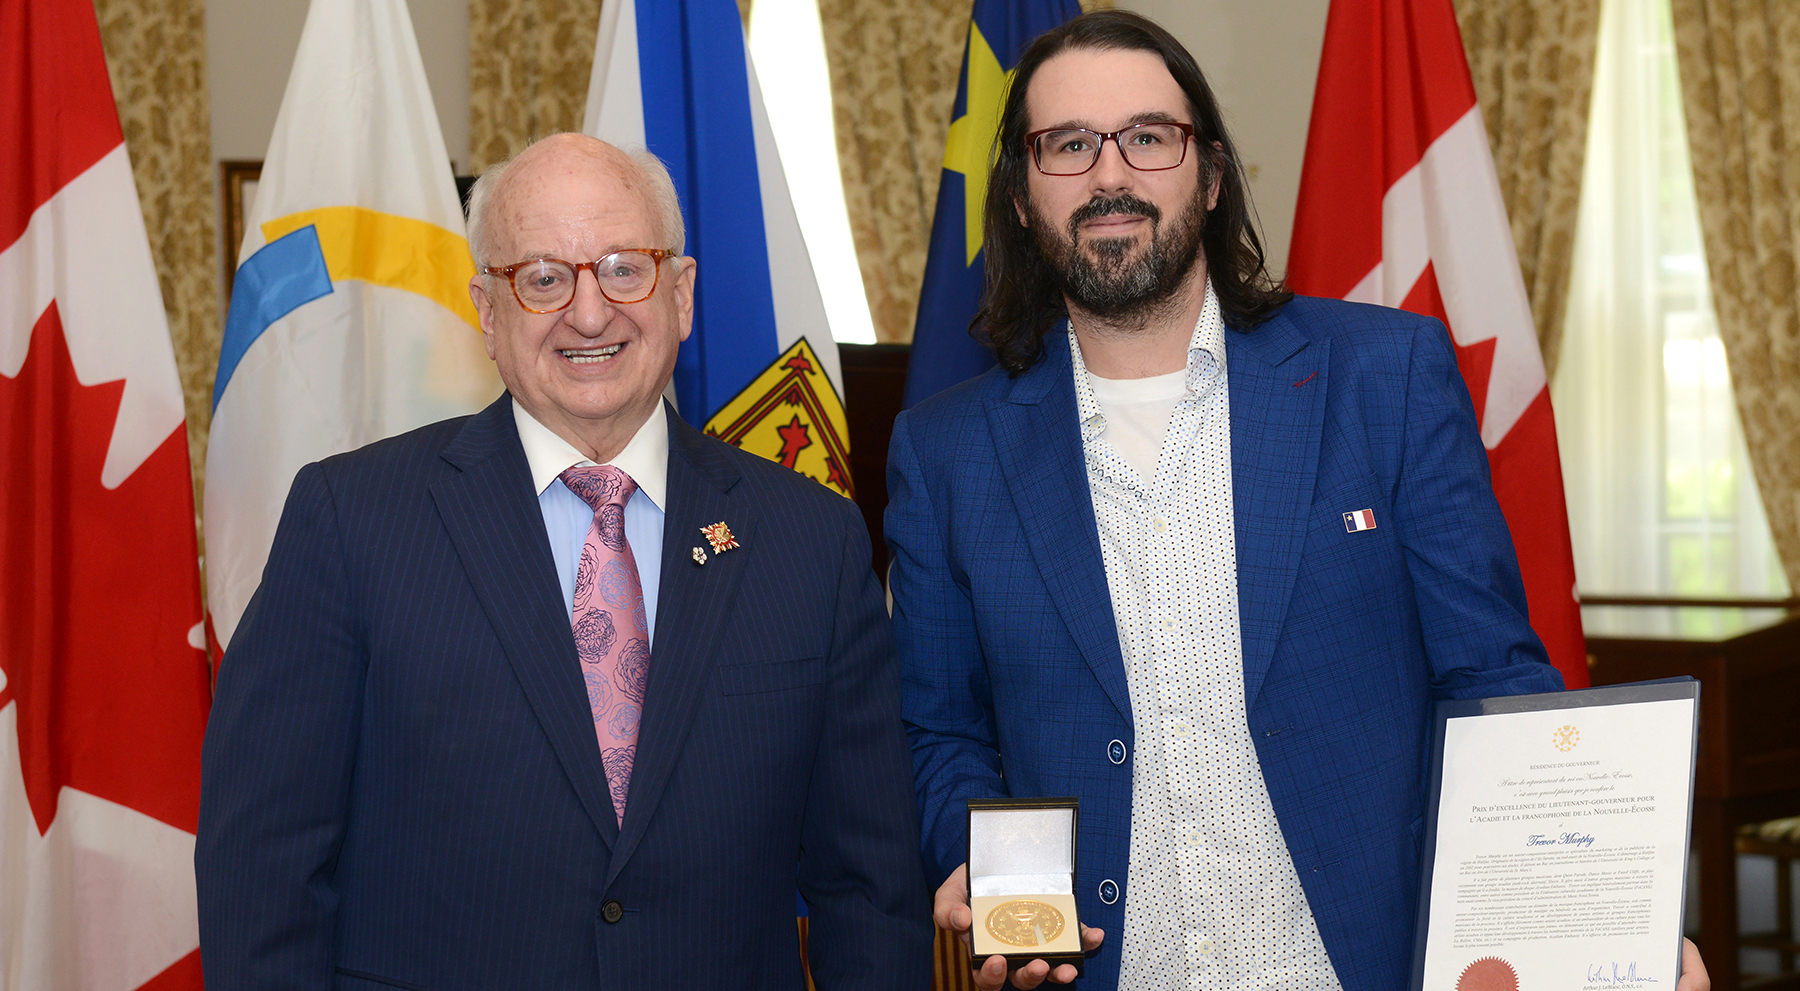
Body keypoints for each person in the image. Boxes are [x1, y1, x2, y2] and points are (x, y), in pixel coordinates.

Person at [885, 11, 1708, 991]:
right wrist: (977, 861)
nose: (1110, 176)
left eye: (1150, 137)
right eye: (1068, 145)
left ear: (1214, 173)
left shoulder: (1384, 378)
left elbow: (1491, 683)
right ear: (1021, 195)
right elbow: (943, 729)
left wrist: (1590, 921)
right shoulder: (944, 452)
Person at [196, 132, 932, 990]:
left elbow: (870, 892)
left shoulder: (812, 539)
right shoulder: (351, 521)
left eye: (625, 267)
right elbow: (264, 872)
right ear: (486, 311)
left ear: (683, 293)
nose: (591, 312)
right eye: (543, 277)